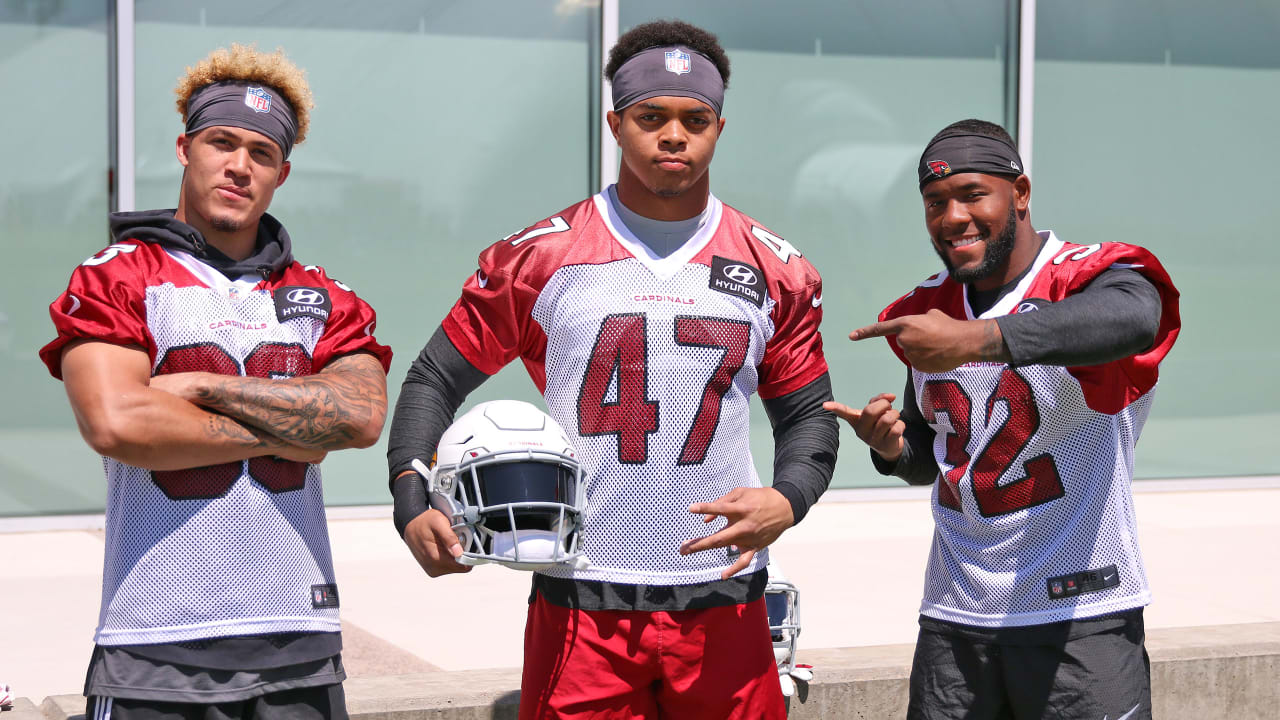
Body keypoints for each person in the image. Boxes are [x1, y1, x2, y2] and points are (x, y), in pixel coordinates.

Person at [387, 20, 838, 720]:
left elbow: (808, 414)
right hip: (582, 594)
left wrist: (789, 498)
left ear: (719, 129)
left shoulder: (775, 267)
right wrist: (410, 497)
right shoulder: (541, 256)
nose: (673, 136)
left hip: (723, 596)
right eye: (651, 117)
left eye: (695, 120)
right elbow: (434, 378)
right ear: (616, 124)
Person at [39, 44, 392, 719]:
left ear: (282, 173)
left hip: (299, 636)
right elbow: (117, 422)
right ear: (184, 148)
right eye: (221, 142)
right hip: (155, 642)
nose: (239, 165)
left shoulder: (326, 296)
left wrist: (199, 386)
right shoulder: (118, 275)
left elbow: (359, 418)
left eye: (262, 153)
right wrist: (295, 430)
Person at [825, 119, 1180, 720]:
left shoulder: (1086, 275)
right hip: (955, 615)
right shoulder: (926, 307)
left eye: (972, 195)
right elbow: (939, 460)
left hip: (1080, 610)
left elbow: (1134, 320)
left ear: (1020, 193)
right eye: (935, 202)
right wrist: (891, 448)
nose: (953, 217)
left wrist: (976, 340)